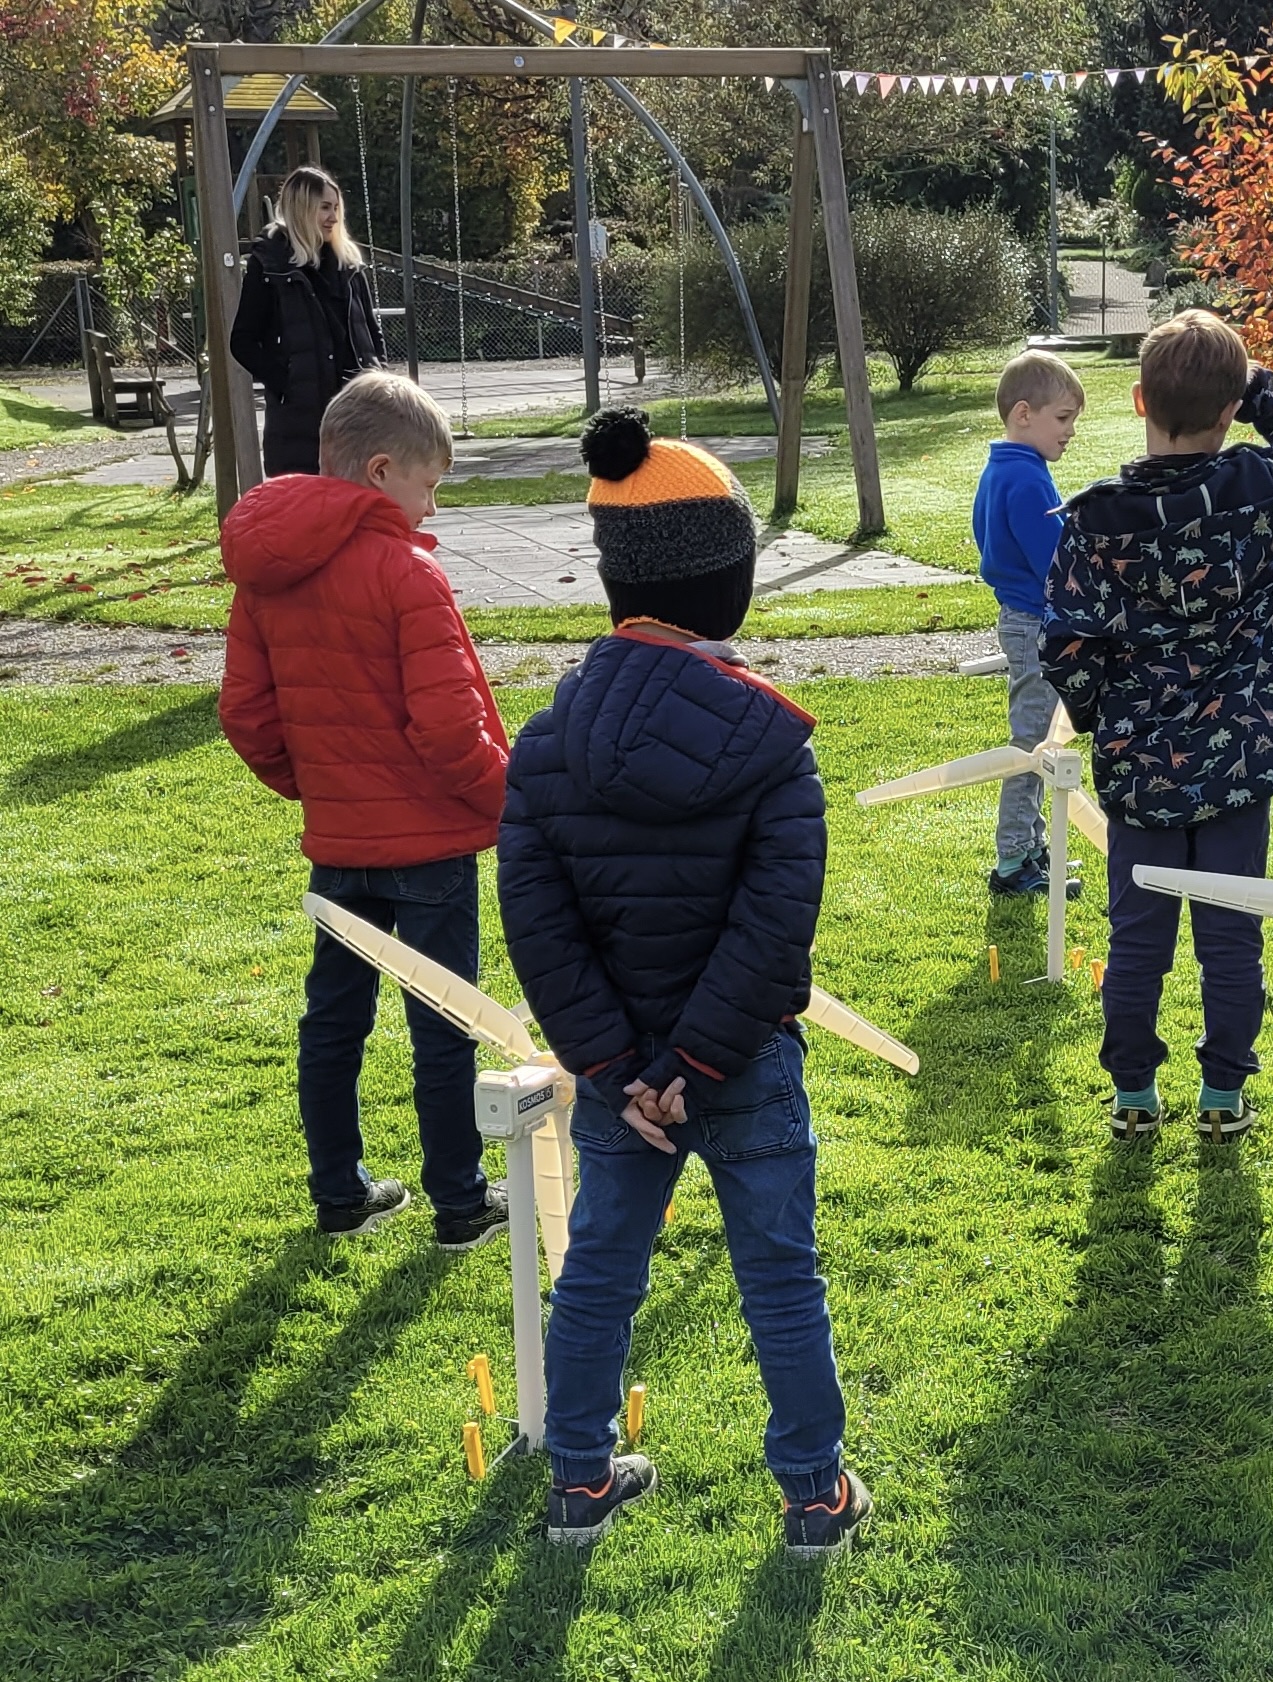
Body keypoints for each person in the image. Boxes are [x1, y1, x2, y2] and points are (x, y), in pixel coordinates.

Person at [499, 407, 865, 1554]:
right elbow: (773, 935)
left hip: (622, 1078)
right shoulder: (775, 745)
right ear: (733, 585)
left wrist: (620, 1070)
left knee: (597, 1268)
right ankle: (813, 1491)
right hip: (740, 1062)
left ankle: (577, 1476)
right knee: (778, 1276)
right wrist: (690, 1066)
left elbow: (538, 929)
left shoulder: (543, 745)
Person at [217, 372, 510, 1249]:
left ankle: (339, 1191)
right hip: (428, 845)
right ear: (382, 472)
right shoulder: (408, 572)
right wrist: (511, 802)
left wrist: (315, 783)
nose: (433, 509)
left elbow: (246, 713)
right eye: (429, 487)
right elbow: (452, 727)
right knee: (444, 1018)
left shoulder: (267, 574)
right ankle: (460, 1203)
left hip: (340, 840)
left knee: (334, 1016)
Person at [1041, 310, 1273, 1144]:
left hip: (1141, 759)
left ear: (1138, 399)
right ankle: (1222, 1092)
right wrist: (1257, 392)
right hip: (1244, 754)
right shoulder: (1263, 494)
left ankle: (1133, 1092)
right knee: (1230, 930)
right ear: (1228, 410)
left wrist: (1103, 713)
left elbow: (1065, 645)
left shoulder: (1093, 525)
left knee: (1138, 934)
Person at [973, 349, 1088, 897]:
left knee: (1040, 740)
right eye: (1063, 419)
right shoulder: (1026, 480)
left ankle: (1033, 850)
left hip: (1021, 619)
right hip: (1036, 626)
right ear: (1025, 414)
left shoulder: (1004, 468)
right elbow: (1057, 563)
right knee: (1032, 747)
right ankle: (1013, 859)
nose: (1069, 432)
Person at [229, 165, 392, 479]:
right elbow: (243, 340)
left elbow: (371, 329)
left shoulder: (348, 264)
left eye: (336, 208)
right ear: (302, 209)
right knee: (305, 504)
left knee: (358, 502)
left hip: (355, 408)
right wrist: (285, 382)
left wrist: (378, 374)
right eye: (324, 208)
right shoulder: (271, 265)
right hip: (300, 417)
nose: (333, 217)